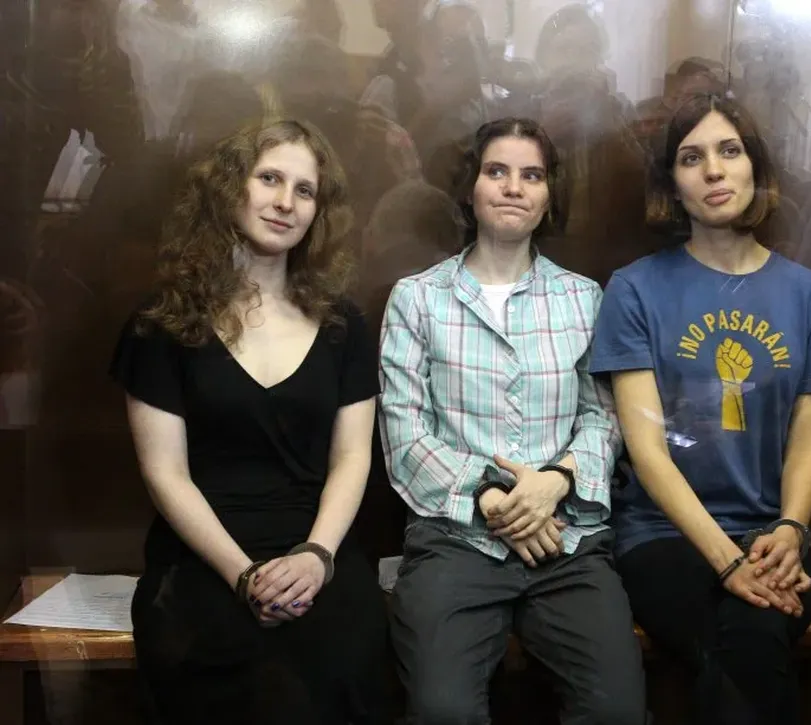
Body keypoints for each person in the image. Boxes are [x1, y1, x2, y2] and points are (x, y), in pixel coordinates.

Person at [109, 118, 388, 725]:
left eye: (305, 190)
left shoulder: (343, 324)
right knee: (237, 682)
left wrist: (315, 556)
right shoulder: (162, 323)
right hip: (203, 560)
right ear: (232, 186)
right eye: (269, 179)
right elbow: (165, 474)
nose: (286, 202)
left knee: (340, 670)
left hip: (320, 551)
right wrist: (243, 576)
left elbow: (352, 458)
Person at [589, 93, 811, 725]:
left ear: (754, 170)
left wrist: (790, 531)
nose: (713, 170)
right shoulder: (634, 289)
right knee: (744, 643)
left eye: (729, 151)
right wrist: (726, 558)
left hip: (774, 535)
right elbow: (646, 449)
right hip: (661, 537)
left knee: (752, 638)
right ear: (672, 185)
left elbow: (809, 441)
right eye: (691, 157)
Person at [378, 117, 647, 725]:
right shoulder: (417, 298)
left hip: (568, 541)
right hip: (456, 540)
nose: (513, 187)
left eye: (531, 175)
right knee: (441, 711)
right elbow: (404, 434)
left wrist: (553, 482)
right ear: (470, 187)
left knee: (617, 713)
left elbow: (603, 417)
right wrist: (498, 499)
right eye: (496, 171)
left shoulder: (584, 299)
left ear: (549, 194)